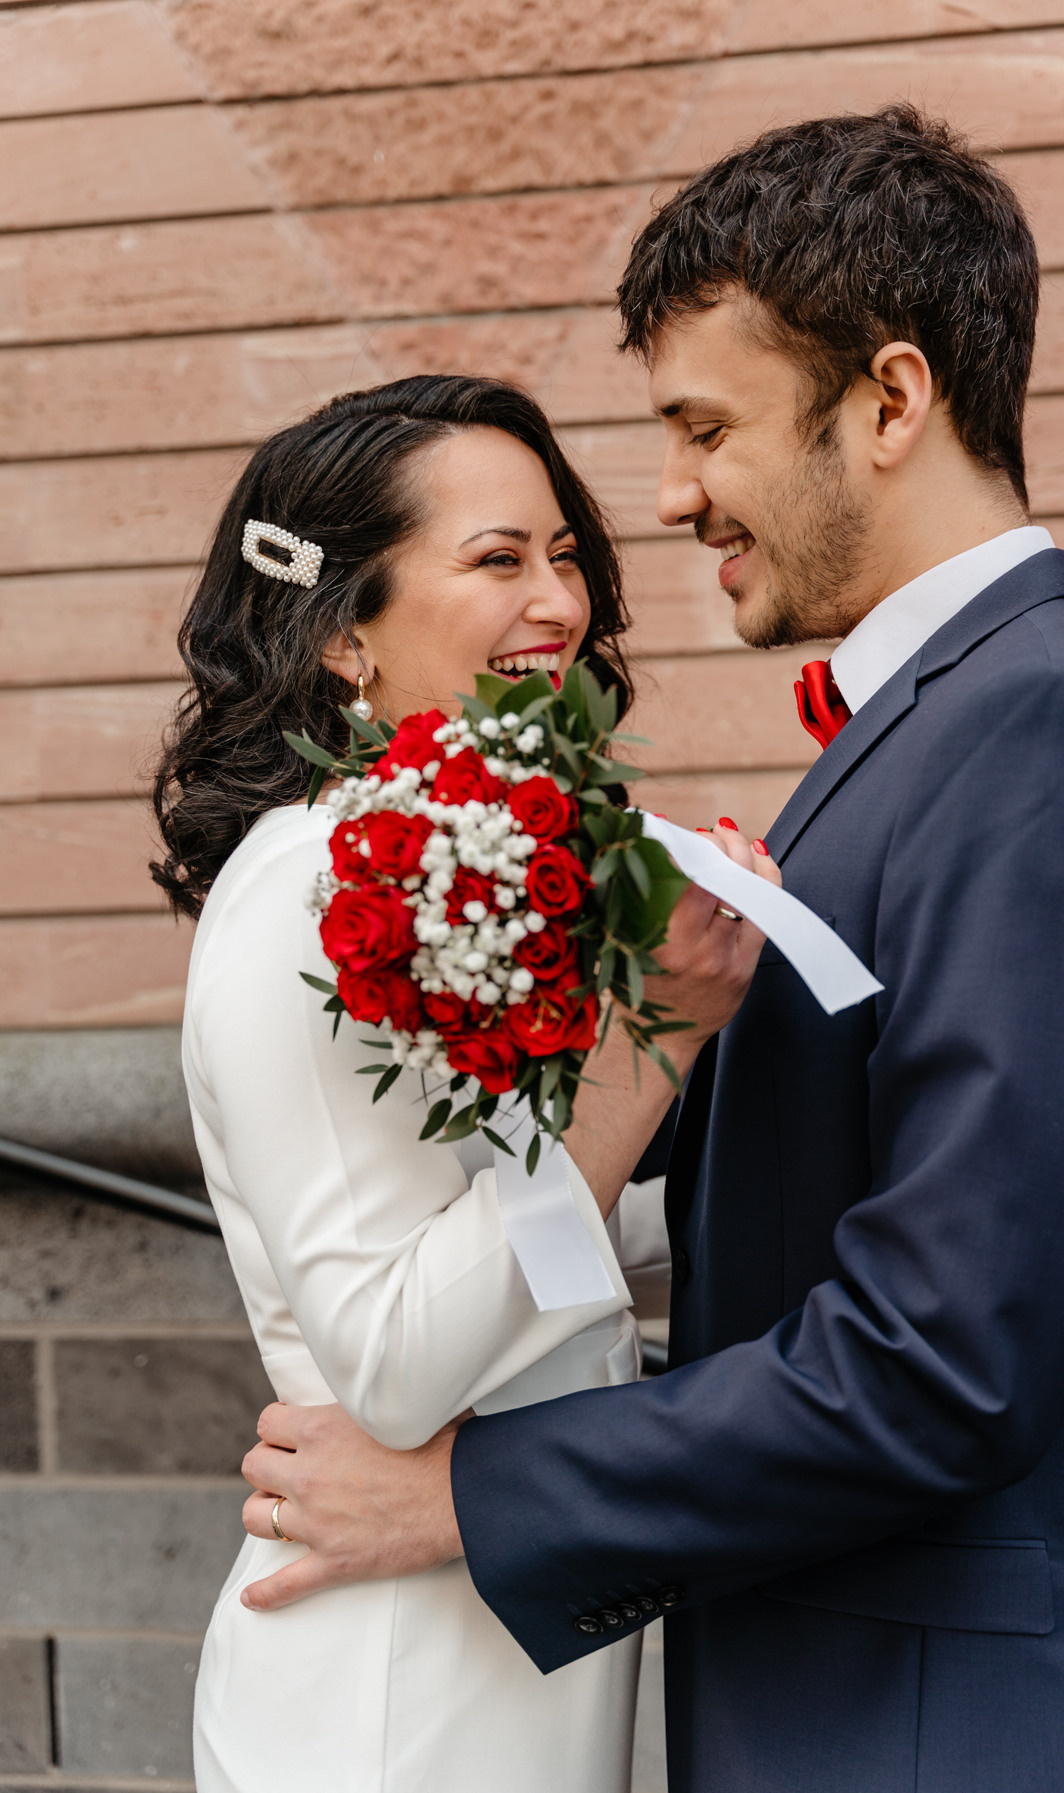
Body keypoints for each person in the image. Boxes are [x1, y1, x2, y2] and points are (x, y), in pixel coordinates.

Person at [239, 108, 1064, 1790]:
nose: (668, 497)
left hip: (962, 1731)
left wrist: (467, 1491)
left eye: (704, 427)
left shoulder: (1054, 735)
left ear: (891, 401)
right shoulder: (926, 731)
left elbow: (944, 1355)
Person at [153, 373, 776, 1793]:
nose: (557, 602)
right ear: (340, 634)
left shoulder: (447, 867)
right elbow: (394, 1358)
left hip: (498, 1649)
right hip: (389, 1701)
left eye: (564, 555)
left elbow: (518, 1228)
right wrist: (660, 1044)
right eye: (497, 559)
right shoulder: (316, 889)